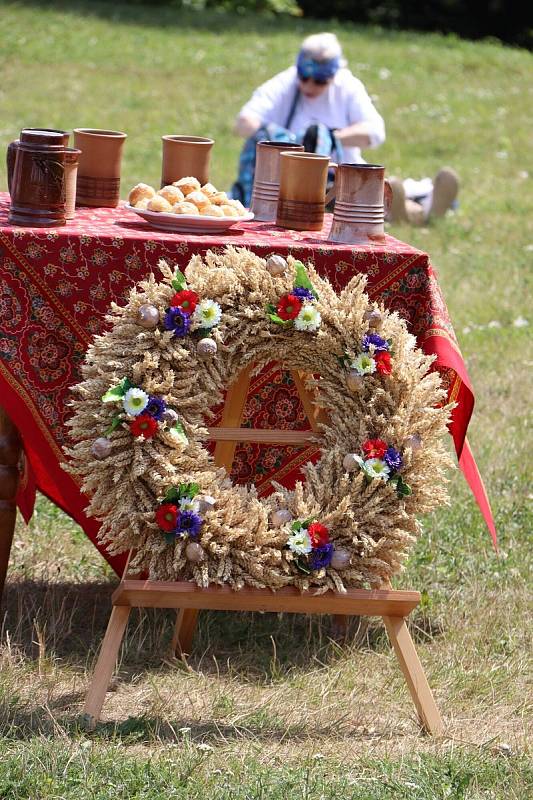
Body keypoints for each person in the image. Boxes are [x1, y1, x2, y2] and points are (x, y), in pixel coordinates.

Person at [230, 32, 386, 206]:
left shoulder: (348, 86)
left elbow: (375, 132)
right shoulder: (286, 81)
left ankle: (407, 203)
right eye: (304, 77)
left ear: (334, 75)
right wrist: (288, 141)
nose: (309, 85)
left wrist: (328, 138)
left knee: (369, 201)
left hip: (337, 180)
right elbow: (243, 122)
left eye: (319, 81)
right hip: (285, 179)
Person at [387, 167, 460, 225]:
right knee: (393, 187)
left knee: (445, 177)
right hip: (407, 200)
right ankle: (428, 217)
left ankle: (406, 216)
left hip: (428, 199)